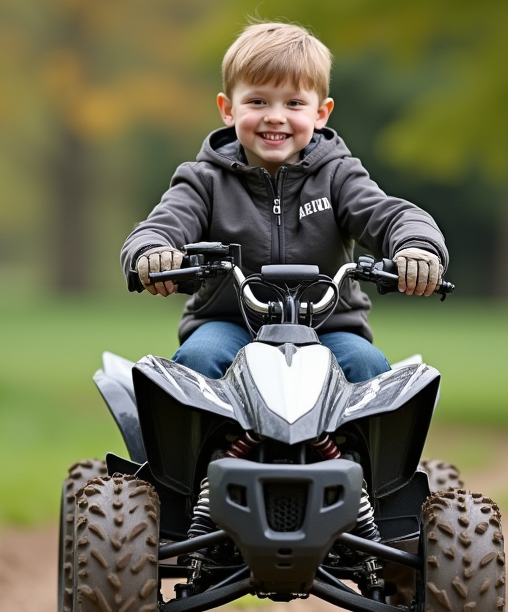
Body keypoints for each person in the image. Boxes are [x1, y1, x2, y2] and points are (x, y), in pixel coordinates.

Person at [120, 21, 448, 382]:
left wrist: (417, 246)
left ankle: (357, 443)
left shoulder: (338, 175)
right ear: (228, 109)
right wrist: (152, 250)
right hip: (228, 323)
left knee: (367, 367)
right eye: (257, 101)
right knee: (198, 359)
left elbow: (388, 215)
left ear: (320, 114)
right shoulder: (203, 180)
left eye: (294, 103)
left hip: (329, 326)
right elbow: (161, 225)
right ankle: (191, 441)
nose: (275, 116)